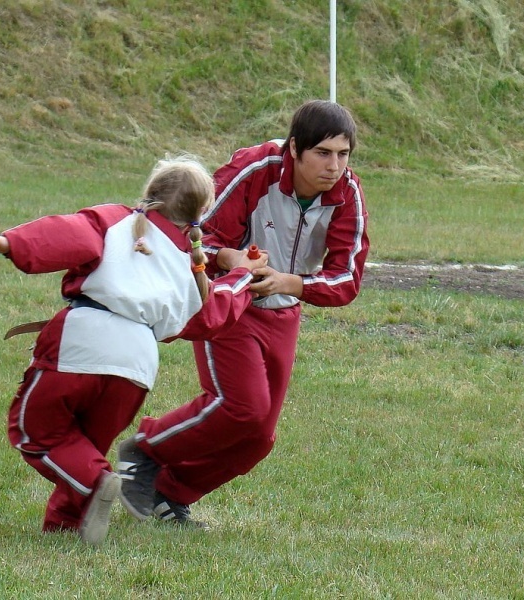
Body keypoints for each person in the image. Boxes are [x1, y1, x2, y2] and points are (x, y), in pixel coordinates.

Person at [0, 155, 268, 544]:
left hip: (82, 341)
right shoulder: (188, 268)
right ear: (201, 214)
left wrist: (13, 242)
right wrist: (244, 274)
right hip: (137, 367)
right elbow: (213, 313)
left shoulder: (116, 221)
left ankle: (97, 481)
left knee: (36, 431)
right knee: (87, 446)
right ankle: (64, 524)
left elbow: (66, 234)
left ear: (149, 194)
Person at [117, 100, 370, 526]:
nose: (334, 166)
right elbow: (189, 236)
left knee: (258, 439)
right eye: (323, 153)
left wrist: (289, 283)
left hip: (284, 311)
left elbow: (347, 278)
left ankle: (170, 494)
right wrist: (230, 259)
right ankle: (145, 450)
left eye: (343, 155)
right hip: (228, 302)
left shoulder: (348, 193)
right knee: (243, 408)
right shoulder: (254, 171)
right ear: (294, 149)